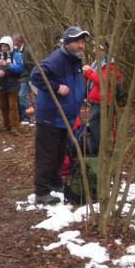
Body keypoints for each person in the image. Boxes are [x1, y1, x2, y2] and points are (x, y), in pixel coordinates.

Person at [30, 26, 89, 205]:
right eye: (78, 42)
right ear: (68, 43)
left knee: (58, 153)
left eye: (83, 42)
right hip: (51, 116)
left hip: (65, 118)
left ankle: (55, 183)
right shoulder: (57, 59)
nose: (82, 46)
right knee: (47, 155)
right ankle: (41, 192)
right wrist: (56, 87)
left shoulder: (75, 60)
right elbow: (36, 75)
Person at [82, 41, 121, 155]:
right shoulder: (98, 63)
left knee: (96, 124)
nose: (94, 51)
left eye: (96, 48)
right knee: (95, 124)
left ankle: (98, 149)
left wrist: (89, 72)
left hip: (104, 101)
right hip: (96, 100)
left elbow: (103, 80)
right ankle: (97, 149)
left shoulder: (110, 64)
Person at [0, 36, 23, 133]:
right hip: (2, 84)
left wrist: (7, 66)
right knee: (3, 105)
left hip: (13, 83)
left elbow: (19, 68)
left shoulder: (16, 55)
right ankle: (6, 124)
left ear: (10, 46)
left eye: (5, 46)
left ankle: (14, 126)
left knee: (13, 106)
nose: (4, 48)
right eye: (2, 46)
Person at [12, 34, 35, 123]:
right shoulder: (15, 51)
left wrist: (31, 77)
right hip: (17, 78)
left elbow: (32, 65)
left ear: (19, 41)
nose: (13, 42)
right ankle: (21, 116)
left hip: (25, 78)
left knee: (22, 96)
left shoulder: (27, 51)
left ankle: (26, 117)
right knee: (17, 97)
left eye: (14, 40)